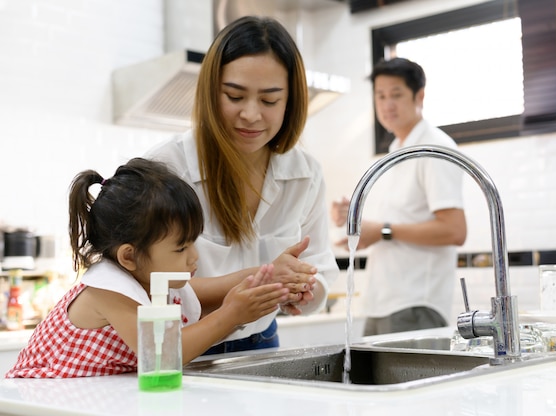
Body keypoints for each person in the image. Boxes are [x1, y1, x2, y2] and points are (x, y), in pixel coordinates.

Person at [145, 16, 339, 353]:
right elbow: (153, 285)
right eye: (235, 96)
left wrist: (303, 292)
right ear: (210, 91)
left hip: (263, 341)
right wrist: (265, 278)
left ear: (290, 102)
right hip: (185, 347)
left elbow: (321, 270)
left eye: (269, 101)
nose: (250, 114)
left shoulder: (305, 174)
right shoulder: (168, 168)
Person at [5, 158, 289, 378]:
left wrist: (270, 275)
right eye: (181, 248)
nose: (194, 257)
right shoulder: (108, 291)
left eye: (193, 243)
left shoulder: (153, 281)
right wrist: (231, 314)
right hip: (45, 398)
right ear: (129, 256)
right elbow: (161, 357)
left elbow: (212, 290)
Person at [331, 57, 467, 336]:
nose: (386, 104)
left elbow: (454, 230)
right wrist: (356, 221)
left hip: (415, 303)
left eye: (396, 95)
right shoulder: (396, 150)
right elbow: (396, 224)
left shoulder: (434, 147)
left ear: (420, 96)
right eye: (380, 96)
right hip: (382, 301)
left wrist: (381, 231)